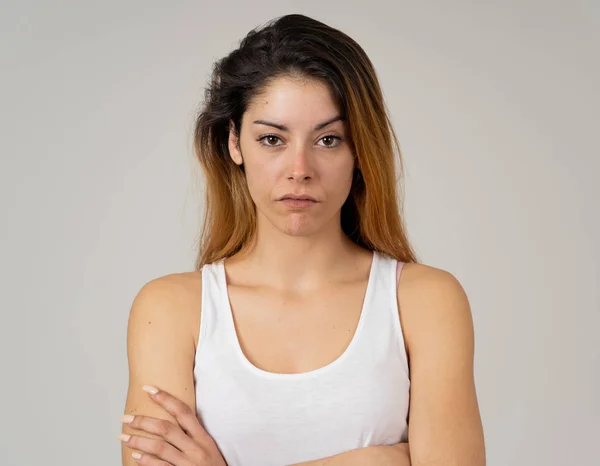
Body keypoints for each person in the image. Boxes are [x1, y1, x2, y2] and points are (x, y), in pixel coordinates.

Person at [117, 13, 486, 466]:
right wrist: (377, 460)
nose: (300, 168)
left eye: (328, 140)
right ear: (235, 143)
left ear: (359, 150)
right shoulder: (170, 310)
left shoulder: (425, 301)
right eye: (272, 139)